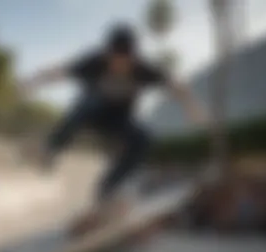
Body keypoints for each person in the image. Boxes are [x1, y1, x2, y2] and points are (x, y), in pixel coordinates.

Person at [20, 22, 210, 234]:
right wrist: (32, 82)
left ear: (133, 57)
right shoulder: (94, 61)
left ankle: (107, 190)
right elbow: (61, 72)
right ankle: (50, 148)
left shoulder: (143, 68)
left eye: (124, 61)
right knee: (89, 102)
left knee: (144, 138)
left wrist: (193, 107)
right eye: (114, 60)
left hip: (118, 120)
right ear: (107, 54)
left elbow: (174, 84)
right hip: (92, 114)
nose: (118, 65)